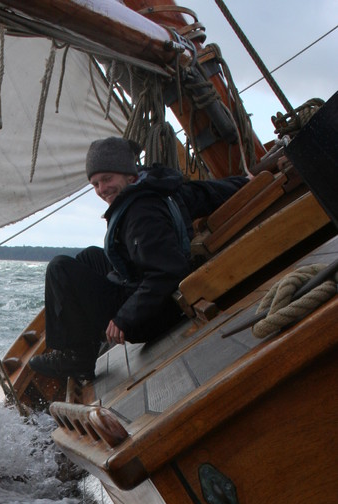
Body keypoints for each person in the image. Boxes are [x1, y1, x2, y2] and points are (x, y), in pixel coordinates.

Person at [29, 136, 249, 380]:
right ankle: (84, 345)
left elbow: (167, 272)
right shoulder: (156, 189)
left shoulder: (141, 215)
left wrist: (124, 318)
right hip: (150, 295)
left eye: (107, 179)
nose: (102, 190)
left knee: (60, 268)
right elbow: (206, 193)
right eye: (95, 184)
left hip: (153, 316)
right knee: (89, 257)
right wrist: (246, 182)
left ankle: (77, 358)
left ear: (128, 174)